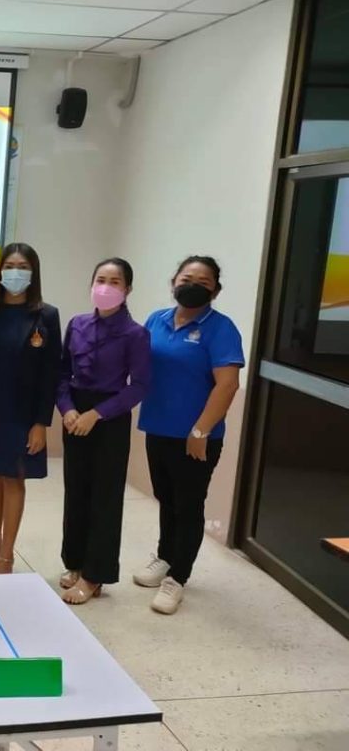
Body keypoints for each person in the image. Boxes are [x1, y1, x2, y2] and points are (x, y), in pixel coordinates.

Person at [134, 256, 243, 615]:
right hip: (158, 428)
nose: (193, 285)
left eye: (203, 281)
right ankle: (165, 556)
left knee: (189, 505)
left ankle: (177, 578)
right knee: (166, 498)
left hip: (197, 437)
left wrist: (201, 429)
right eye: (186, 278)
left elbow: (227, 385)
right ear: (174, 282)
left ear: (215, 290)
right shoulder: (156, 319)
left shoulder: (221, 328)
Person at [0, 243, 61, 575]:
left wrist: (40, 423)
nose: (15, 272)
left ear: (33, 273)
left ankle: (7, 554)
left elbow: (50, 373)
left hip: (23, 413)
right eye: (9, 265)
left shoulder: (46, 315)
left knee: (14, 477)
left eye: (22, 266)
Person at [56, 258, 151, 604]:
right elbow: (62, 373)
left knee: (105, 497)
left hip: (109, 417)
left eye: (115, 281)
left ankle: (95, 575)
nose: (106, 287)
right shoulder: (77, 324)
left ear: (127, 289)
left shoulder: (136, 334)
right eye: (101, 279)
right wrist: (67, 409)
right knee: (76, 491)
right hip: (75, 412)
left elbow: (139, 386)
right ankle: (75, 562)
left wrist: (96, 414)